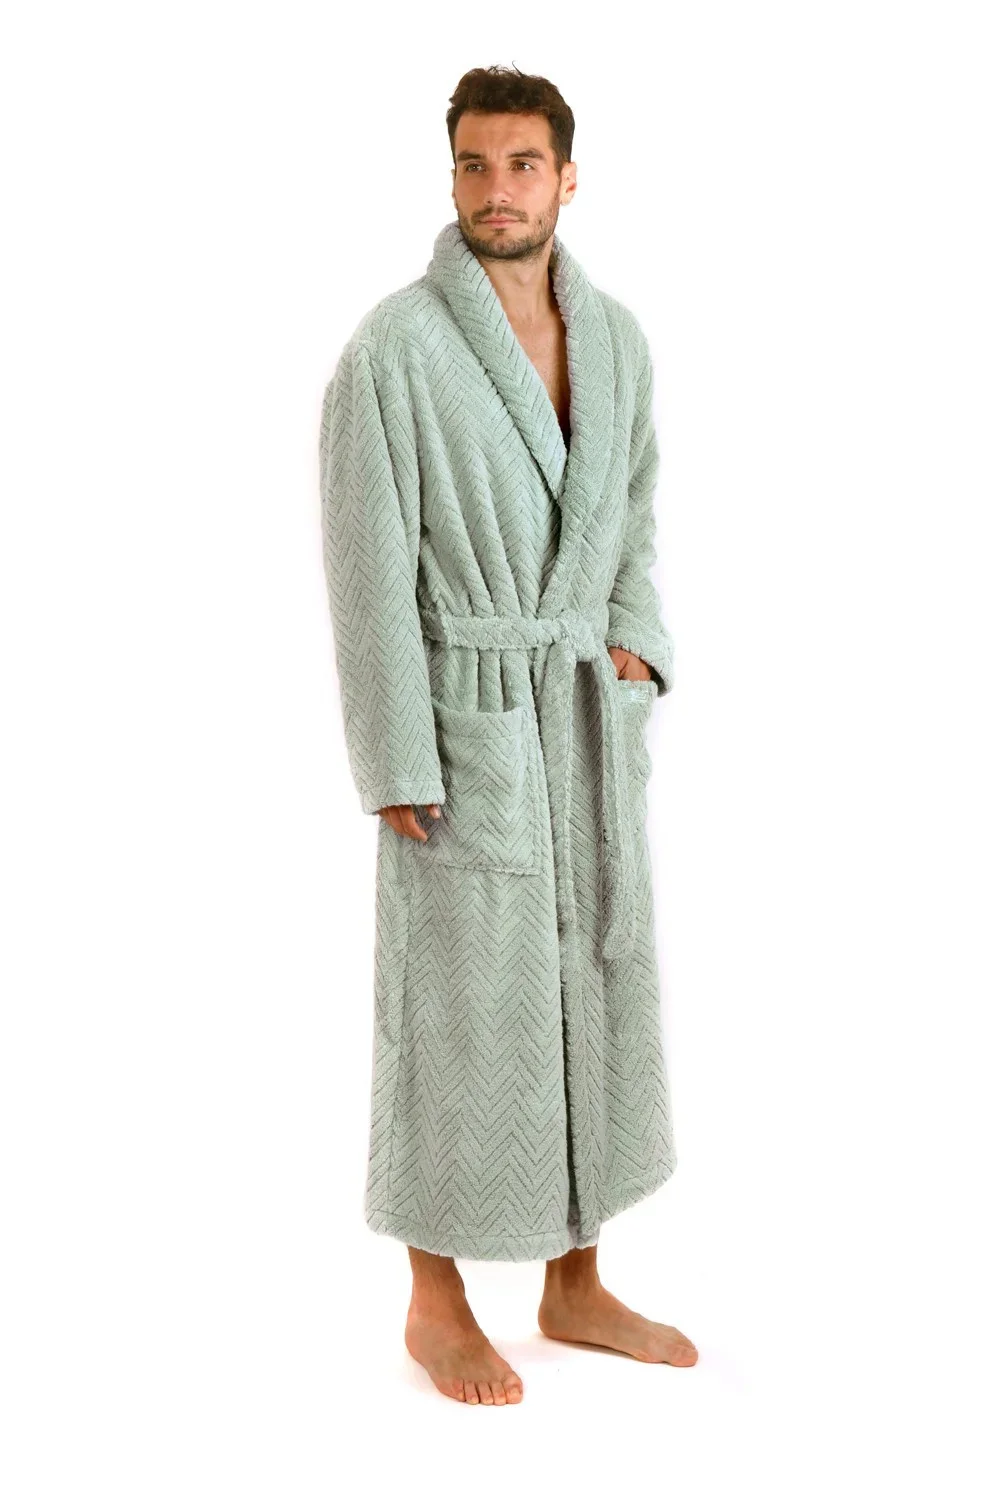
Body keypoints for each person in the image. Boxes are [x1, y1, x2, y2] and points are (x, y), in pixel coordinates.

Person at [319, 64, 697, 1405]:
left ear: (567, 178)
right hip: (466, 723)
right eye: (475, 165)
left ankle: (575, 1281)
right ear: (453, 178)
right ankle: (435, 1303)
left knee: (594, 983)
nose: (498, 190)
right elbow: (367, 567)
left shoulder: (619, 342)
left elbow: (634, 515)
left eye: (522, 164)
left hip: (585, 716)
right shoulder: (394, 351)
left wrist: (633, 645)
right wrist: (396, 757)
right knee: (456, 1009)